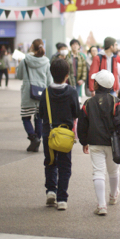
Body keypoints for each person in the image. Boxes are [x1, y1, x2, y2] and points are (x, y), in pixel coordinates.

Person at [78, 70, 120, 216]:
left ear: (96, 84)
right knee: (113, 171)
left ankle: (101, 205)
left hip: (94, 141)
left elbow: (82, 124)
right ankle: (113, 196)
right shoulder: (115, 102)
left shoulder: (88, 103)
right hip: (113, 143)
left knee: (98, 172)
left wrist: (84, 141)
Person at [38, 58, 80, 211]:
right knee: (65, 166)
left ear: (51, 73)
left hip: (49, 133)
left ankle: (50, 191)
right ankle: (62, 199)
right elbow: (77, 112)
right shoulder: (72, 92)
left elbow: (41, 113)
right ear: (67, 75)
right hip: (65, 134)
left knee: (50, 162)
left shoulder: (46, 92)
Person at [16, 39, 52, 152]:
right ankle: (36, 141)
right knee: (39, 118)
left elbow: (19, 76)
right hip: (41, 93)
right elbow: (49, 81)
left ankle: (33, 138)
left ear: (32, 47)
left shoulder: (25, 61)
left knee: (26, 117)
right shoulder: (46, 62)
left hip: (28, 93)